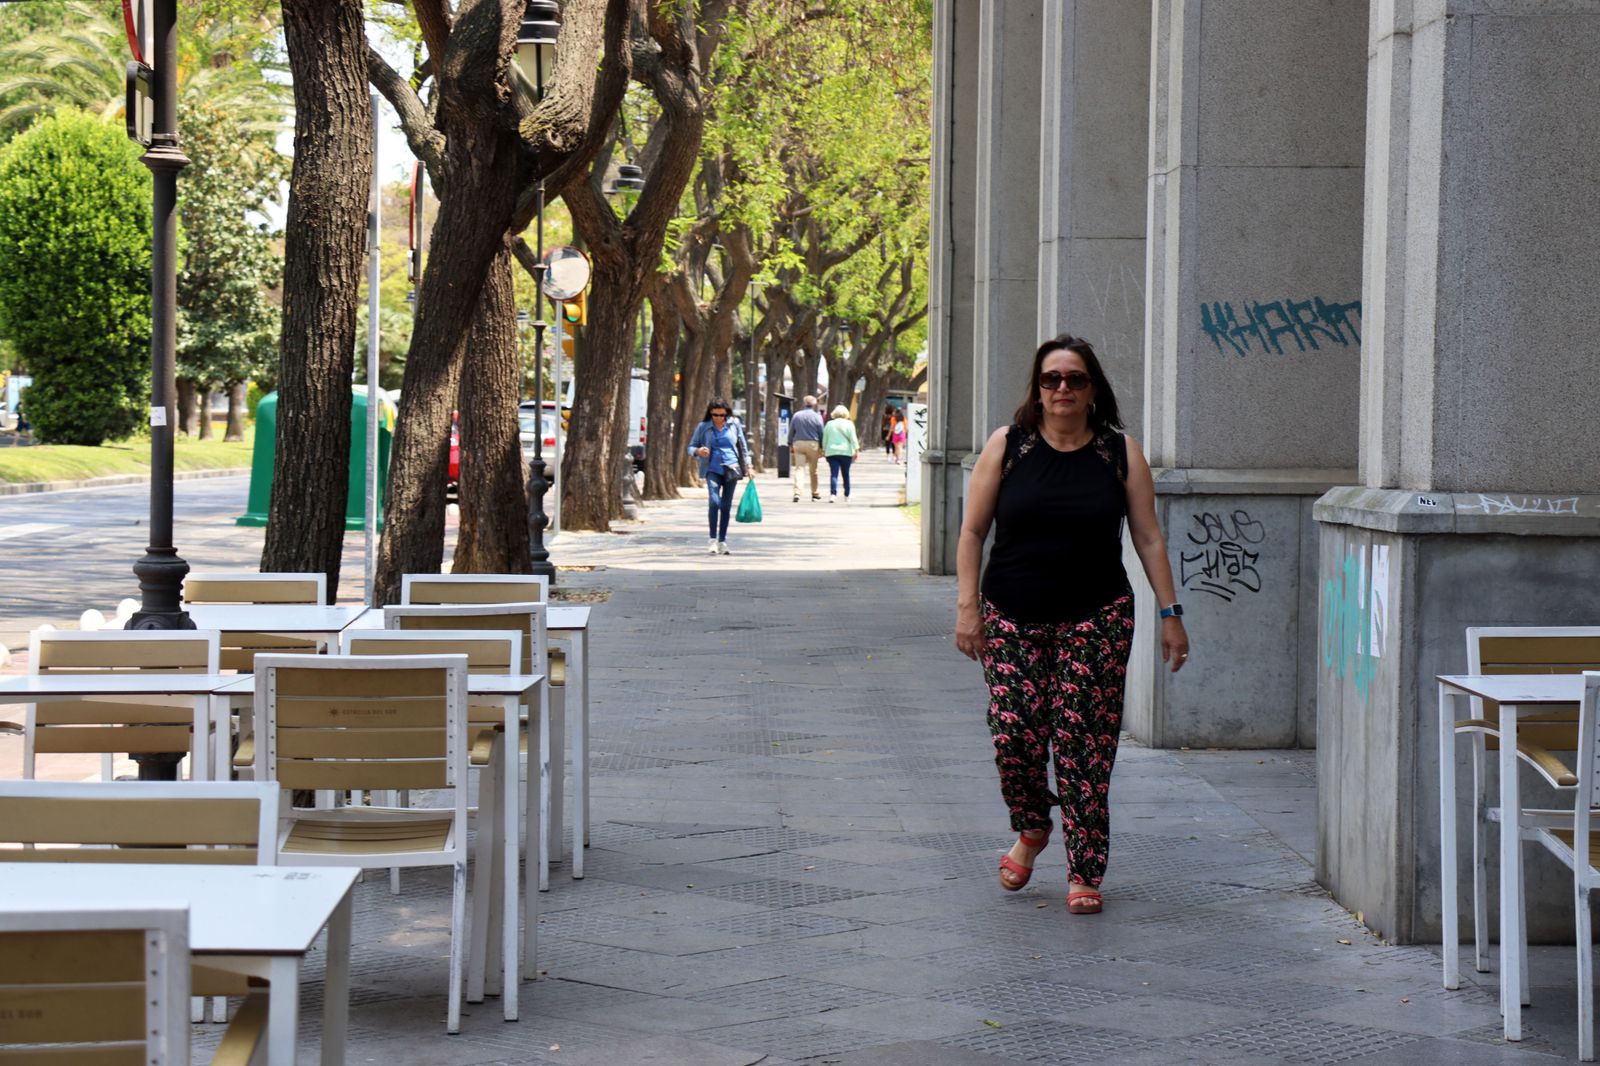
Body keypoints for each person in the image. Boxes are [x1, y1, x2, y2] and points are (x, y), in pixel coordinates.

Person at [954, 334, 1189, 916]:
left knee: (1085, 744)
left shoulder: (1118, 452)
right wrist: (967, 607)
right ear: (1037, 389)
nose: (1062, 388)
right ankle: (1033, 826)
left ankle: (1084, 869)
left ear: (1092, 390)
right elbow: (971, 533)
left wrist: (1171, 614)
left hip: (1098, 616)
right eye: (1051, 378)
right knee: (1015, 736)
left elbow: (1149, 536)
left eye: (1075, 379)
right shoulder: (1008, 447)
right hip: (1010, 614)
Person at [686, 398, 750, 555]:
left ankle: (722, 540)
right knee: (714, 502)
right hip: (712, 469)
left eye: (722, 415)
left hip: (731, 468)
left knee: (726, 506)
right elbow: (690, 447)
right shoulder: (703, 427)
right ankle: (712, 539)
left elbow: (742, 446)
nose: (719, 418)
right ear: (710, 413)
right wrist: (698, 451)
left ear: (727, 413)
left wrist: (749, 466)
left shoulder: (734, 424)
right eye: (715, 415)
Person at [789, 395, 825, 502]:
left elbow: (792, 430)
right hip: (812, 444)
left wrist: (790, 442)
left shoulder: (797, 415)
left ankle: (797, 492)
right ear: (814, 404)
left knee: (799, 469)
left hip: (799, 443)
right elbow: (821, 432)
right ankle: (815, 493)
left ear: (804, 403)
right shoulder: (817, 416)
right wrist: (822, 447)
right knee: (813, 470)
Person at [821, 405, 860, 503]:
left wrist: (824, 450)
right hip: (846, 452)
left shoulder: (829, 424)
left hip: (832, 452)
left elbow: (825, 438)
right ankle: (847, 495)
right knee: (845, 474)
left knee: (834, 474)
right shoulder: (849, 424)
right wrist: (856, 450)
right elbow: (853, 438)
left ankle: (833, 495)